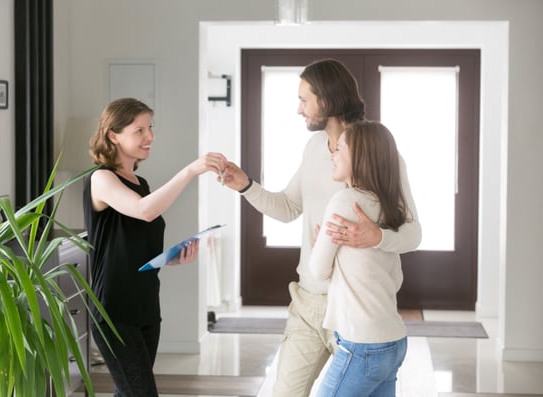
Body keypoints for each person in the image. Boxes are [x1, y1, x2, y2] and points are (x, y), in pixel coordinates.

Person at [221, 58, 421, 397]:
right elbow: (288, 208)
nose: (299, 109)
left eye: (304, 99)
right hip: (308, 302)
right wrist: (245, 185)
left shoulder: (380, 154)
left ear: (326, 101)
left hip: (356, 308)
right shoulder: (315, 148)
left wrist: (378, 237)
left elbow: (413, 233)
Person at [83, 97, 227, 396]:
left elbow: (135, 243)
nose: (150, 137)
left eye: (150, 127)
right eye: (139, 130)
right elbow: (144, 211)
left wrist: (169, 258)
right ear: (113, 135)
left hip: (146, 306)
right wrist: (190, 171)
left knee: (130, 392)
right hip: (114, 311)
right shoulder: (100, 179)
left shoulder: (141, 182)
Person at [310, 121, 410, 397]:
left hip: (361, 345)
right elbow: (396, 280)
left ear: (361, 158)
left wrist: (319, 244)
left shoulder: (345, 202)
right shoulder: (389, 207)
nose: (333, 154)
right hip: (393, 342)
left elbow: (318, 270)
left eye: (340, 148)